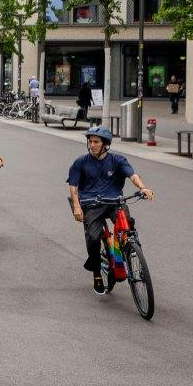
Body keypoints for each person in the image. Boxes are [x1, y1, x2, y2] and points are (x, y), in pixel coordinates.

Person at [67, 126, 154, 295]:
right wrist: (77, 207)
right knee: (93, 238)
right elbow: (73, 185)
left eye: (96, 142)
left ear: (105, 144)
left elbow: (132, 175)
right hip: (91, 204)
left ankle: (129, 253)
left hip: (114, 202)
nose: (92, 145)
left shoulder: (118, 160)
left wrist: (143, 188)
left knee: (128, 229)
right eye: (90, 141)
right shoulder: (81, 162)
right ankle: (97, 272)